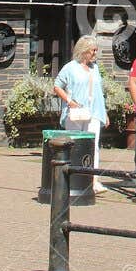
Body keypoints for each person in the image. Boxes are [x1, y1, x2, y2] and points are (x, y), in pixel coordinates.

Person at [54, 38, 107, 191]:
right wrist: (69, 101)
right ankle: (72, 177)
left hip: (94, 111)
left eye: (96, 50)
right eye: (93, 50)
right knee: (73, 144)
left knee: (93, 145)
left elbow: (99, 92)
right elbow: (57, 86)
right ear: (84, 50)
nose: (95, 53)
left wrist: (105, 113)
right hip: (76, 113)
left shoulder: (95, 68)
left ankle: (94, 180)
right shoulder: (70, 68)